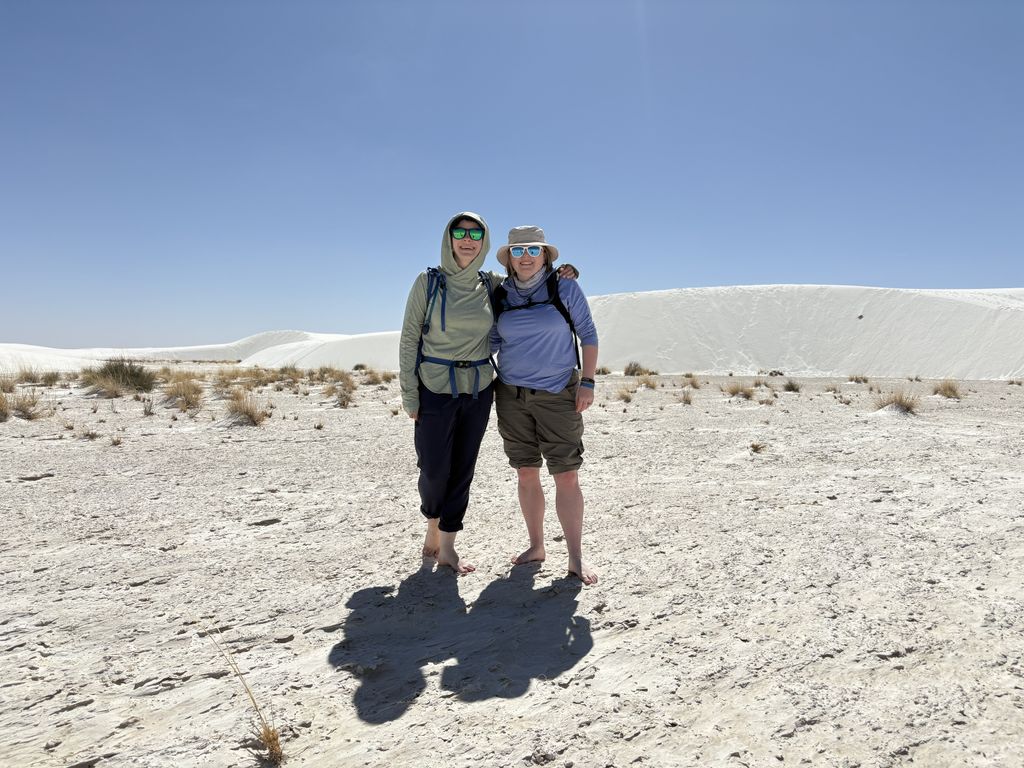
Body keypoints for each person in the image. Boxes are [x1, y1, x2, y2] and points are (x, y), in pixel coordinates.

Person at [399, 213, 577, 575]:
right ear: (449, 239)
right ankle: (432, 521)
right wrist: (409, 394)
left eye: (476, 233)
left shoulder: (491, 282)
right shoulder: (428, 282)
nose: (468, 239)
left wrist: (564, 272)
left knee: (463, 469)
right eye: (460, 232)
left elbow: (529, 280)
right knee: (433, 470)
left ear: (483, 241)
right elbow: (408, 339)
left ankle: (447, 545)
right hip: (434, 386)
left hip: (479, 388)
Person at [490, 226, 600, 585]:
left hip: (558, 393)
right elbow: (490, 340)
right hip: (511, 395)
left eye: (532, 250)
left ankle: (576, 557)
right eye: (518, 250)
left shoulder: (564, 286)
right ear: (509, 257)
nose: (525, 257)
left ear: (545, 255)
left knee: (566, 473)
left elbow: (588, 334)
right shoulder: (501, 294)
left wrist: (587, 381)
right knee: (526, 472)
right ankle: (536, 546)